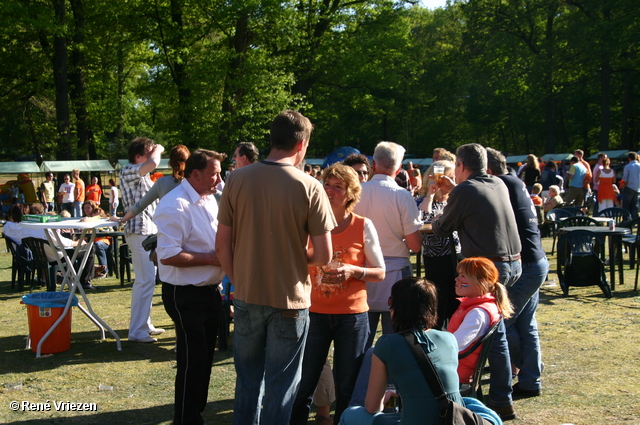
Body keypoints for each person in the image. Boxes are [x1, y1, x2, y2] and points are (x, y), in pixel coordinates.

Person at [216, 110, 335, 425]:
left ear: (272, 139)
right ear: (302, 144)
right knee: (281, 386)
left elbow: (221, 245)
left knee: (247, 381)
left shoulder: (236, 179)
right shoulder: (310, 186)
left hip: (246, 294)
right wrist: (293, 257)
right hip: (290, 299)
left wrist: (238, 278)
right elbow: (324, 254)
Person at [290, 164, 386, 425]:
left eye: (337, 187)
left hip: (352, 317)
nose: (330, 191)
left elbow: (380, 272)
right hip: (314, 313)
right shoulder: (308, 223)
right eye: (327, 185)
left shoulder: (363, 225)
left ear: (351, 193)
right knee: (303, 383)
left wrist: (353, 271)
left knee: (347, 386)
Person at [431, 143, 521, 420]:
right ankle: (502, 395)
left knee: (498, 333)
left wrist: (447, 198)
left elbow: (441, 227)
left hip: (488, 266)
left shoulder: (464, 190)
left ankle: (501, 398)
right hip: (514, 262)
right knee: (499, 329)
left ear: (460, 166)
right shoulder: (498, 182)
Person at [341, 278, 477, 425]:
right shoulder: (449, 338)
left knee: (350, 414)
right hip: (453, 419)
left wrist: (387, 398)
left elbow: (373, 407)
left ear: (396, 306)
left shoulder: (387, 344)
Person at [155, 149, 226, 425]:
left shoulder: (207, 198)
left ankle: (194, 414)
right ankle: (185, 418)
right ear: (195, 174)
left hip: (208, 290)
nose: (218, 178)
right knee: (192, 359)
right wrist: (213, 258)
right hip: (185, 293)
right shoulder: (175, 204)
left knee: (205, 358)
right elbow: (168, 255)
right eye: (214, 173)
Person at [486, 148, 549, 400]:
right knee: (525, 323)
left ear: (488, 171)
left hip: (525, 265)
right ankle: (531, 379)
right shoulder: (515, 181)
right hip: (537, 260)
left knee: (505, 321)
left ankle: (531, 372)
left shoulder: (500, 185)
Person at [352, 141, 423, 350]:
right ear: (399, 169)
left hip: (362, 270)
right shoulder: (402, 195)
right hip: (395, 273)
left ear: (374, 164)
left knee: (361, 338)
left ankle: (357, 381)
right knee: (396, 339)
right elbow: (415, 245)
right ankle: (390, 382)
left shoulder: (357, 193)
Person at [118, 137, 165, 343]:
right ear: (138, 156)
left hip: (146, 231)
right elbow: (154, 163)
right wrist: (159, 149)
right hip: (138, 232)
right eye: (148, 151)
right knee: (145, 281)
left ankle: (143, 324)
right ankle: (137, 331)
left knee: (147, 280)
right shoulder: (128, 170)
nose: (153, 154)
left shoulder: (141, 175)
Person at [4, 203, 97, 290]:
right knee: (89, 247)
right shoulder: (43, 227)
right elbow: (61, 243)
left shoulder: (23, 229)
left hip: (38, 257)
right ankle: (84, 281)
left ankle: (74, 276)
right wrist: (78, 242)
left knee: (80, 249)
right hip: (56, 256)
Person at [449, 258, 513, 384]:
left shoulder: (478, 313)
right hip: (455, 365)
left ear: (481, 282)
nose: (457, 279)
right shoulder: (477, 306)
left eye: (463, 276)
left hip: (456, 370)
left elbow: (455, 345)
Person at [416, 160, 461, 327]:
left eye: (451, 177)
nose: (448, 181)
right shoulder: (424, 200)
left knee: (455, 300)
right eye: (445, 177)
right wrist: (430, 194)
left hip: (455, 255)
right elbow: (420, 221)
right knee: (438, 302)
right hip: (434, 256)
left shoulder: (455, 199)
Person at [113, 145, 190, 225]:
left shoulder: (162, 182)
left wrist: (122, 220)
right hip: (191, 229)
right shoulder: (195, 183)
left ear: (170, 163)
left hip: (169, 231)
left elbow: (140, 205)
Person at [80, 200, 110, 276]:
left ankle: (104, 270)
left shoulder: (98, 214)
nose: (86, 209)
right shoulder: (84, 219)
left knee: (97, 245)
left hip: (103, 240)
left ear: (93, 208)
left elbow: (104, 226)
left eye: (88, 207)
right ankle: (87, 271)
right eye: (85, 208)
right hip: (90, 240)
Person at [622, 151, 640, 218]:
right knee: (634, 205)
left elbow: (625, 178)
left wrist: (625, 186)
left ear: (629, 158)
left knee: (626, 205)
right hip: (637, 188)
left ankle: (626, 220)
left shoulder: (628, 166)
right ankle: (635, 220)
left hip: (630, 187)